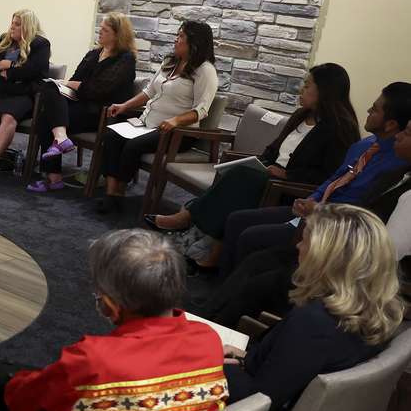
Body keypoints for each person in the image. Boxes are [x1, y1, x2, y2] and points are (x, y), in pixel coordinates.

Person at [0, 229, 226, 411]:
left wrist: (5, 382)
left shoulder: (93, 360)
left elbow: (24, 405)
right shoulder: (208, 340)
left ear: (111, 307)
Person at [196, 103, 411, 328]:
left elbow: (380, 243)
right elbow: (334, 179)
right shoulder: (386, 164)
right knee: (249, 243)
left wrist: (321, 214)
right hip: (323, 222)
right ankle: (216, 306)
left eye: (406, 133)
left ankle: (222, 322)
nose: (400, 136)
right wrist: (314, 201)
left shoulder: (396, 175)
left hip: (341, 253)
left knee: (258, 256)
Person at [147, 63, 359, 270]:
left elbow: (329, 175)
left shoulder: (340, 129)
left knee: (244, 178)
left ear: (325, 92)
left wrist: (287, 174)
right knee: (235, 172)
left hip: (290, 187)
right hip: (270, 171)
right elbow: (273, 150)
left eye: (308, 85)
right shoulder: (301, 115)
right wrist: (262, 162)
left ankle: (191, 218)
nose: (301, 89)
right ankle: (209, 242)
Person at [222, 204, 402, 411]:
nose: (298, 246)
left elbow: (255, 403)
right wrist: (249, 358)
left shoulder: (315, 324)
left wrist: (214, 366)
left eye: (305, 240)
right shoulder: (375, 312)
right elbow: (295, 370)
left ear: (325, 257)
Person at [218, 82, 411, 274]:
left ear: (391, 124)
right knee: (237, 219)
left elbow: (362, 210)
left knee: (252, 238)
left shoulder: (396, 166)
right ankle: (220, 288)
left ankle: (233, 295)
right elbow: (333, 179)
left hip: (334, 225)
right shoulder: (364, 146)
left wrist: (320, 209)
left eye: (375, 109)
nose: (368, 110)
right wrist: (312, 198)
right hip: (313, 209)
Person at [96, 21, 219, 214]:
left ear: (194, 43)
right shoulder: (170, 62)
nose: (176, 40)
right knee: (111, 136)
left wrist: (176, 121)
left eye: (181, 37)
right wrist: (124, 106)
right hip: (147, 123)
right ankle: (111, 193)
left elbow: (202, 110)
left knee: (133, 145)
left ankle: (118, 194)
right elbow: (149, 92)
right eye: (177, 35)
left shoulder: (205, 71)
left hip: (177, 132)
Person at [27, 13, 137, 193]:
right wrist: (69, 85)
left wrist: (72, 85)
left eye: (105, 30)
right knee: (50, 89)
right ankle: (61, 138)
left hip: (102, 113)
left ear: (118, 34)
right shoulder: (93, 54)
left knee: (47, 118)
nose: (99, 32)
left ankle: (54, 176)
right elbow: (76, 80)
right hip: (81, 104)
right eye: (100, 28)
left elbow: (100, 89)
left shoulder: (125, 59)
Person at [0, 9, 51, 174]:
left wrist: (8, 68)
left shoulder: (40, 44)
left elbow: (32, 70)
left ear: (27, 27)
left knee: (8, 117)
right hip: (1, 90)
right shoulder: (6, 39)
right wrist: (3, 64)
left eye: (17, 24)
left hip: (24, 92)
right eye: (12, 23)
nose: (12, 27)